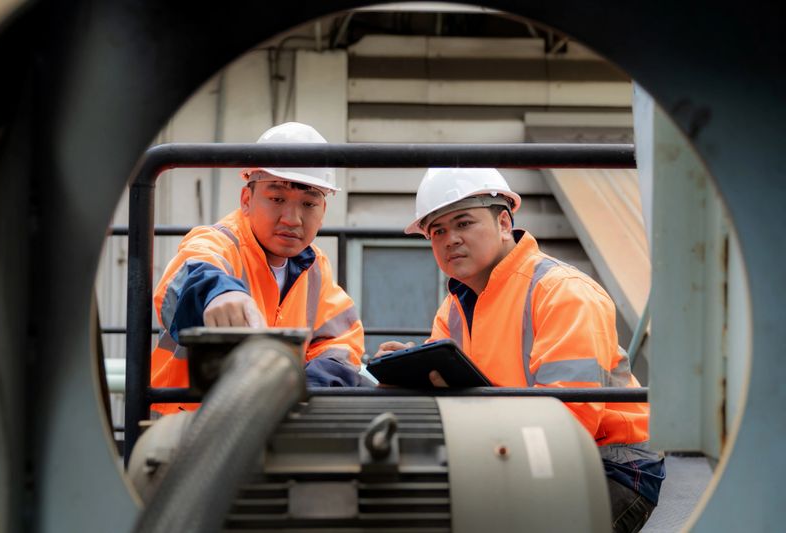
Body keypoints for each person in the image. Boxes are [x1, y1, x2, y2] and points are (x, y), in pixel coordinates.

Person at [376, 168, 665, 533]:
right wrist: (412, 375)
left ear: (503, 223)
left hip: (607, 462)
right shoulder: (453, 311)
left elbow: (572, 422)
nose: (450, 240)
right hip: (517, 451)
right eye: (437, 231)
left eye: (463, 223)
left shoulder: (562, 292)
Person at [150, 122, 364, 414]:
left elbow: (342, 340)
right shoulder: (220, 243)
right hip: (185, 421)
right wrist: (217, 293)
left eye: (308, 204)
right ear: (246, 200)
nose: (292, 218)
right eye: (277, 199)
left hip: (268, 420)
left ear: (323, 211)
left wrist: (312, 387)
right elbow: (184, 276)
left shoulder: (315, 267)